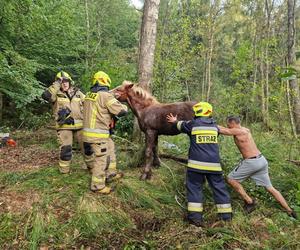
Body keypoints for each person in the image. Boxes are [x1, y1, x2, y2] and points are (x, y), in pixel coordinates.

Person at [167, 102, 232, 226]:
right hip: (214, 167)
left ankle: (195, 219)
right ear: (209, 112)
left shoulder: (192, 125)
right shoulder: (215, 127)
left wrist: (175, 121)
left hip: (196, 166)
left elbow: (180, 125)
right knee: (219, 189)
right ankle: (226, 218)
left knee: (194, 189)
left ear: (196, 112)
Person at [218, 115, 297, 218]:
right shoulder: (245, 129)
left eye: (228, 124)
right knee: (270, 188)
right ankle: (290, 211)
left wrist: (206, 122)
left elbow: (223, 131)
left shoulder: (238, 132)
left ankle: (250, 202)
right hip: (261, 160)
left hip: (252, 162)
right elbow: (224, 129)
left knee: (231, 179)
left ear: (233, 123)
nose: (227, 126)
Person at [82, 71, 128, 194]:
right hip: (98, 135)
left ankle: (111, 174)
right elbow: (121, 112)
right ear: (105, 81)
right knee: (100, 159)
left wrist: (113, 93)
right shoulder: (106, 96)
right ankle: (98, 186)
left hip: (87, 134)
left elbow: (102, 97)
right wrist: (124, 106)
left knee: (111, 147)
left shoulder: (88, 95)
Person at [42, 71, 86, 174]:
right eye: (62, 82)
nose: (65, 84)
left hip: (81, 127)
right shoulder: (55, 95)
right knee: (65, 150)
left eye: (66, 81)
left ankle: (91, 168)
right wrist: (57, 82)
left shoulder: (78, 93)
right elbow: (45, 96)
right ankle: (64, 172)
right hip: (64, 127)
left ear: (70, 82)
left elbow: (89, 104)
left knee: (88, 148)